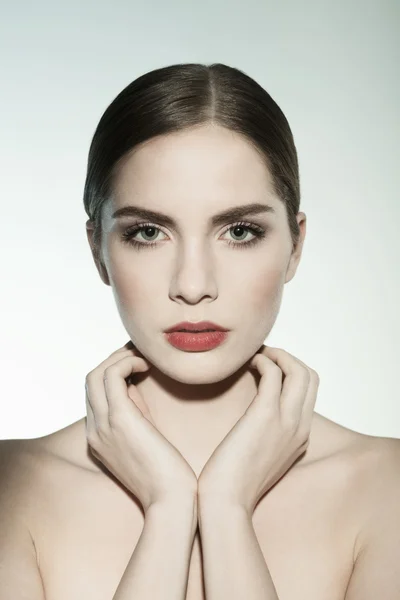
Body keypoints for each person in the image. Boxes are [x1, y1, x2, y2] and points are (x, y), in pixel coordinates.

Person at [1, 62, 399, 600]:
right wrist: (168, 509)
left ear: (295, 245)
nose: (193, 285)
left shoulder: (387, 488)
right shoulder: (11, 489)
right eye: (148, 232)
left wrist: (226, 505)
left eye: (239, 231)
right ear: (98, 249)